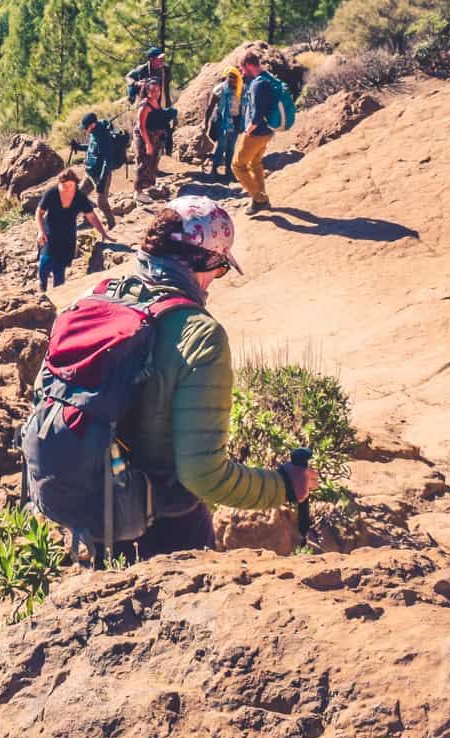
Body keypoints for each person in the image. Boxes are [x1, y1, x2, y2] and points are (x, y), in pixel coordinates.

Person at [104, 198, 316, 560]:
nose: (214, 282)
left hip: (93, 509)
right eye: (220, 269)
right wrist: (284, 485)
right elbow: (204, 476)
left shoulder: (100, 298)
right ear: (201, 262)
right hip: (165, 527)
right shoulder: (200, 335)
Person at [35, 168, 109, 291]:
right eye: (64, 185)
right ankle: (42, 286)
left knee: (59, 270)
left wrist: (103, 233)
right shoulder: (51, 193)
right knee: (45, 262)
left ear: (75, 184)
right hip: (50, 232)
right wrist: (40, 231)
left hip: (67, 235)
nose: (67, 188)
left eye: (70, 185)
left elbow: (91, 216)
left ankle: (58, 295)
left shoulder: (80, 197)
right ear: (59, 184)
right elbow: (39, 213)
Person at [233, 53, 287, 214]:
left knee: (237, 165)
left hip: (256, 133)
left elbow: (258, 112)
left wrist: (248, 131)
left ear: (249, 66)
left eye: (243, 68)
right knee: (255, 162)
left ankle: (259, 199)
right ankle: (261, 199)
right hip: (268, 131)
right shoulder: (267, 78)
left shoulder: (258, 84)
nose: (242, 72)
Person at [81, 112, 123, 224]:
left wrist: (102, 181)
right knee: (80, 195)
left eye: (86, 127)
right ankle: (88, 218)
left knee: (101, 203)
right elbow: (91, 148)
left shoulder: (104, 137)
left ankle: (111, 223)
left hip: (100, 174)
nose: (85, 130)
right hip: (90, 172)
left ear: (93, 124)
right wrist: (78, 147)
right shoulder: (93, 133)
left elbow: (107, 161)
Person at [207, 67, 243, 183]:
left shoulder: (240, 89)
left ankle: (229, 170)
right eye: (230, 76)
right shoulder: (220, 89)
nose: (233, 79)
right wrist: (206, 122)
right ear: (227, 76)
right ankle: (214, 169)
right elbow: (210, 106)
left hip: (235, 121)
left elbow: (243, 105)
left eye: (235, 77)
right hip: (222, 121)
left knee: (231, 147)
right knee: (221, 146)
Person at [134, 79, 170, 191]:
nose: (156, 93)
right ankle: (138, 191)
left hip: (156, 138)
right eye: (153, 91)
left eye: (158, 90)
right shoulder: (145, 105)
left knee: (153, 163)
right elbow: (141, 126)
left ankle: (150, 186)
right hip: (146, 138)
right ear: (147, 91)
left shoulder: (156, 102)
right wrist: (148, 144)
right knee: (143, 165)